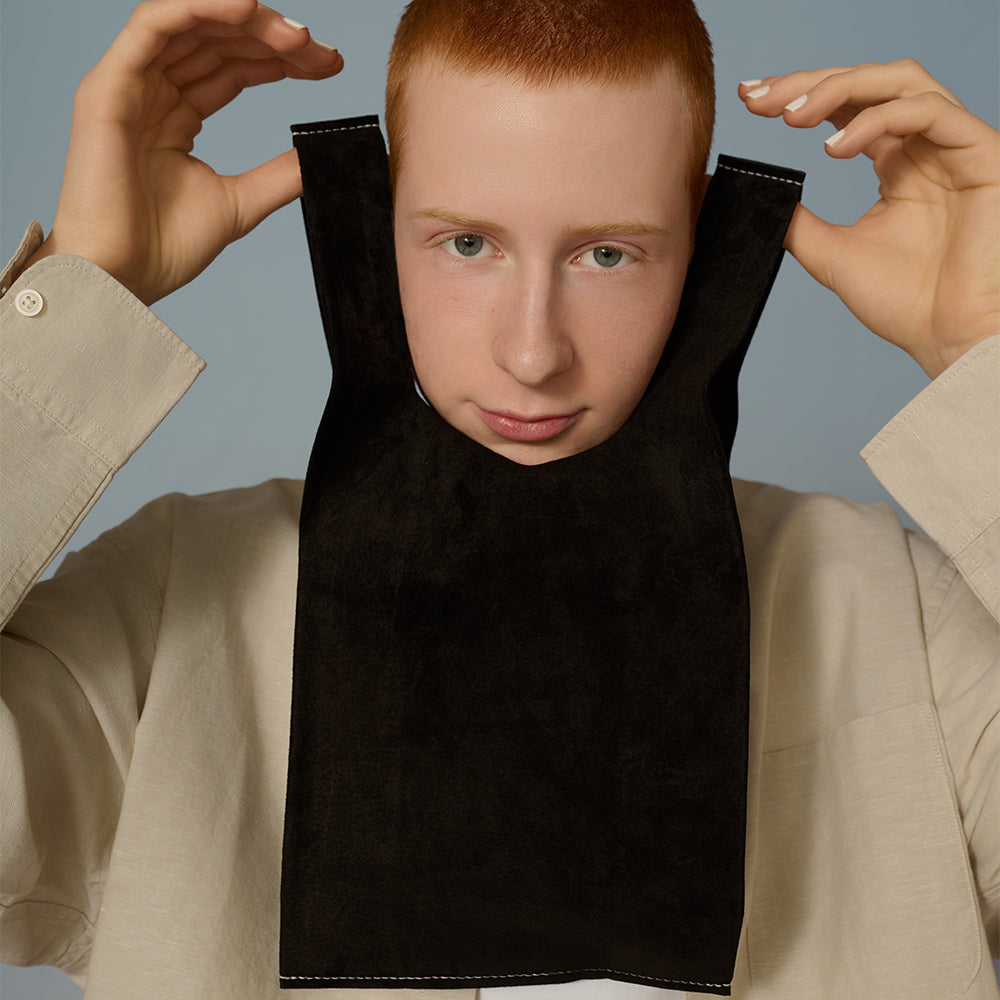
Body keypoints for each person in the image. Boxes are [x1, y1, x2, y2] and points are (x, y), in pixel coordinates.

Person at [1, 0, 997, 998]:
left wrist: (981, 354)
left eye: (606, 254)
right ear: (374, 219)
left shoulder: (897, 613)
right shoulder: (169, 602)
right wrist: (80, 299)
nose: (532, 353)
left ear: (707, 243)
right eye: (468, 244)